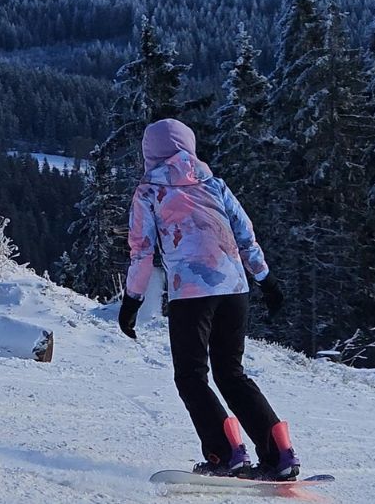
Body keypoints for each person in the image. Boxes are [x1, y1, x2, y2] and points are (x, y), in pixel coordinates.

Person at [117, 118, 300, 481]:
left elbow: (142, 252)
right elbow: (245, 234)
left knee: (191, 375)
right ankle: (280, 455)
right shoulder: (213, 184)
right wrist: (266, 279)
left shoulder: (149, 191)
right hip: (234, 289)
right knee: (232, 374)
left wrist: (132, 301)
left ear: (148, 152)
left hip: (192, 293)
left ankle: (225, 453)